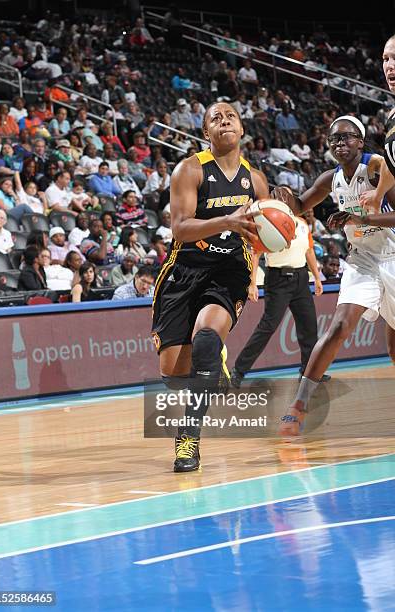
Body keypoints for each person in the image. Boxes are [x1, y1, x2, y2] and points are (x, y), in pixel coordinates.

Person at [152, 101, 268, 472]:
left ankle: (188, 439)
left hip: (228, 270)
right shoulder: (190, 169)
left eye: (230, 116)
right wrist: (227, 222)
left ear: (242, 129)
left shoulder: (256, 180)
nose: (224, 121)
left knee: (205, 338)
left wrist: (254, 271)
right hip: (184, 271)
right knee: (173, 376)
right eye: (215, 118)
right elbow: (180, 228)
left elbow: (261, 235)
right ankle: (210, 362)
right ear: (206, 133)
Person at [273, 115, 395, 436]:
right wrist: (284, 197)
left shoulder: (379, 169)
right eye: (334, 140)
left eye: (347, 138)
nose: (340, 144)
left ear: (361, 141)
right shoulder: (331, 179)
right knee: (339, 325)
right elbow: (299, 206)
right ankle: (298, 405)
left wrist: (358, 216)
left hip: (393, 257)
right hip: (362, 260)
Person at [231, 214, 325, 388]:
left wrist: (317, 278)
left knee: (309, 326)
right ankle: (238, 371)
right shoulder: (268, 222)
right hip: (278, 278)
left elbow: (309, 250)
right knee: (267, 326)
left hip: (301, 277)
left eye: (287, 196)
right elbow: (255, 254)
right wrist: (252, 283)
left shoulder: (302, 223)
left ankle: (308, 372)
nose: (284, 199)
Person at [359, 35, 395, 211]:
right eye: (386, 59)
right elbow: (392, 162)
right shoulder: (393, 114)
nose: (389, 66)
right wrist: (378, 194)